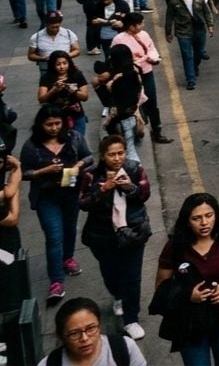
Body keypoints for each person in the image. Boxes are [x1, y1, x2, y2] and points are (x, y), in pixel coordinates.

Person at [154, 193, 219, 365]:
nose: (204, 223)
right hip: (190, 322)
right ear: (187, 221)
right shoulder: (175, 246)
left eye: (209, 215)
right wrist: (188, 295)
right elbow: (161, 286)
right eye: (196, 218)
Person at [78, 135, 152, 340]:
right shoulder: (91, 175)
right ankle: (118, 295)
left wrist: (130, 187)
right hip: (102, 235)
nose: (117, 158)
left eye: (121, 153)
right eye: (112, 154)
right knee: (110, 272)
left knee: (132, 276)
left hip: (132, 232)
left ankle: (131, 319)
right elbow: (83, 203)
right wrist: (103, 189)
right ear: (103, 156)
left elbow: (145, 194)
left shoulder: (135, 169)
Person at [20, 105, 93, 303]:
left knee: (70, 230)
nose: (53, 128)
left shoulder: (74, 138)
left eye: (57, 124)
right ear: (40, 125)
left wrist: (79, 166)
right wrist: (43, 172)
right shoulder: (32, 146)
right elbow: (24, 172)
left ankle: (67, 258)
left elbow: (89, 157)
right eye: (49, 124)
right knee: (54, 237)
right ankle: (56, 281)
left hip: (70, 194)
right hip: (46, 198)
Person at [111, 12, 171, 145]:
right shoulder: (119, 40)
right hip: (130, 77)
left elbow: (151, 48)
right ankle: (137, 130)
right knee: (135, 104)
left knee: (152, 101)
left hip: (147, 72)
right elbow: (116, 59)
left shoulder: (144, 35)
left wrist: (151, 57)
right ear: (131, 26)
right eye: (140, 23)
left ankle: (157, 131)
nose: (143, 25)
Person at [37, 297, 149, 366]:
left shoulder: (124, 348)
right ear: (61, 336)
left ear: (99, 326)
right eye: (74, 333)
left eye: (91, 328)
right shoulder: (48, 364)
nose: (84, 338)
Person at [165, 0, 214, 90]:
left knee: (199, 53)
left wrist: (210, 26)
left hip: (199, 30)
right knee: (187, 56)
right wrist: (168, 32)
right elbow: (169, 17)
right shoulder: (174, 0)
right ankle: (191, 80)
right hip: (183, 32)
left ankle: (195, 66)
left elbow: (207, 12)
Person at [38, 50, 90, 139]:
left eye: (64, 63)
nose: (62, 67)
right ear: (53, 65)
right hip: (56, 117)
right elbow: (41, 98)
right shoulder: (47, 77)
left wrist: (74, 91)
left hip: (76, 114)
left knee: (78, 139)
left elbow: (85, 97)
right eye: (58, 64)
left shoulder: (77, 75)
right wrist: (53, 90)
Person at [28, 10, 80, 78]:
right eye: (52, 26)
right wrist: (42, 58)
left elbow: (77, 50)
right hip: (46, 68)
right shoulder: (36, 37)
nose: (55, 28)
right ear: (46, 24)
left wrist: (65, 56)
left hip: (65, 67)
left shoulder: (68, 33)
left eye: (57, 25)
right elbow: (31, 55)